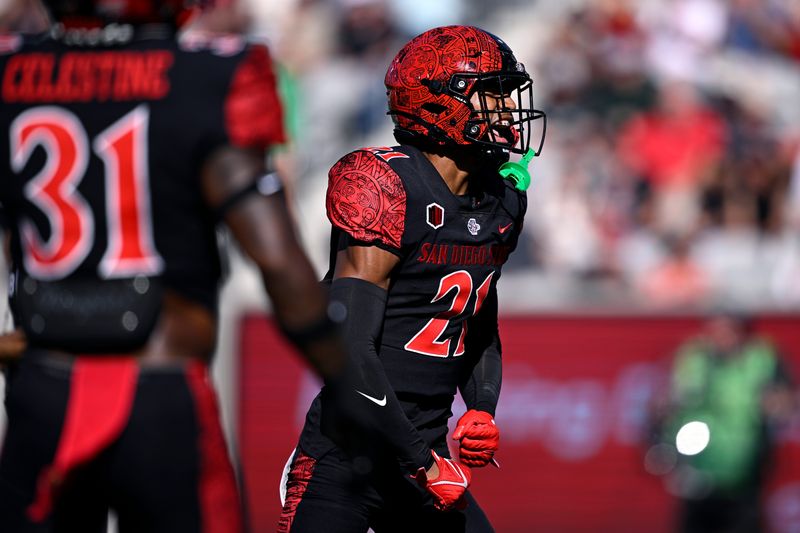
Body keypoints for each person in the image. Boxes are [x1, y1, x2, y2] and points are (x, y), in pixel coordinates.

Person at [0, 1, 349, 531]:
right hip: (160, 391)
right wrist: (352, 390)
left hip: (45, 387)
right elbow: (279, 263)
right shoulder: (207, 74)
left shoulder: (12, 70)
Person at [278, 25, 546, 532]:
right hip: (347, 462)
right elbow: (349, 346)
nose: (509, 109)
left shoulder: (501, 201)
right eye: (492, 93)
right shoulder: (385, 186)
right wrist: (422, 463)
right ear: (441, 101)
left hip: (424, 456)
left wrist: (482, 407)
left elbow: (475, 322)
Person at [649, 312, 795, 533]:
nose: (721, 338)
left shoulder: (763, 359)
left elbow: (785, 401)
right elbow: (664, 403)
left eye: (728, 331)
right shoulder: (692, 358)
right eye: (715, 331)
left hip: (745, 472)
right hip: (697, 472)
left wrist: (776, 403)